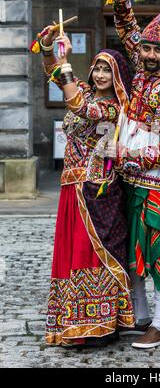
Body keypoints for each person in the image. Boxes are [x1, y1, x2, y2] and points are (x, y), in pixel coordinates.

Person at [38, 25, 135, 347]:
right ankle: (76, 321)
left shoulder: (113, 107)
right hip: (73, 186)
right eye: (97, 68)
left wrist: (67, 67)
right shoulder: (84, 90)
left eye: (108, 69)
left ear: (118, 74)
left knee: (95, 253)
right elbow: (54, 72)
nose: (101, 74)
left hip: (98, 189)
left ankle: (103, 324)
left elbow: (82, 108)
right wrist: (49, 46)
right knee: (74, 252)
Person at [111, 0, 160, 348]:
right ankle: (141, 317)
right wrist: (122, 0)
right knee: (132, 251)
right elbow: (127, 31)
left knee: (157, 251)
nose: (150, 55)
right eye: (147, 49)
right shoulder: (141, 71)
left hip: (156, 183)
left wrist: (132, 158)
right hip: (131, 180)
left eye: (158, 50)